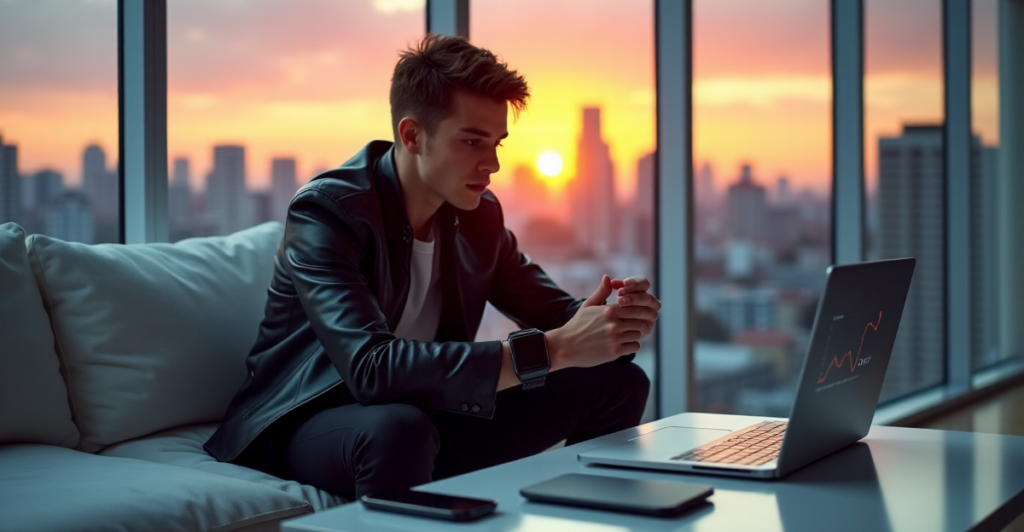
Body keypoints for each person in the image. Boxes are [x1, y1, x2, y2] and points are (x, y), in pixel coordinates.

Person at [205, 34, 661, 501]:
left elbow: (555, 315)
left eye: (498, 142)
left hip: (425, 417)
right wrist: (551, 350)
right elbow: (370, 369)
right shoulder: (328, 213)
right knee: (398, 429)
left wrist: (613, 319)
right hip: (309, 422)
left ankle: (589, 518)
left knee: (619, 382)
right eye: (471, 141)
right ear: (411, 135)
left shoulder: (479, 217)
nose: (494, 164)